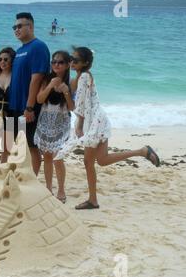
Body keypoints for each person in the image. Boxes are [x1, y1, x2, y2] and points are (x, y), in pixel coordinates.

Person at [55, 47, 161, 210]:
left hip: (93, 121)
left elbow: (82, 105)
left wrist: (80, 125)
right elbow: (84, 102)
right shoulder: (83, 76)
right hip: (99, 119)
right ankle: (142, 151)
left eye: (75, 60)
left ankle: (93, 200)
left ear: (85, 63)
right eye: (71, 59)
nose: (72, 62)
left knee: (88, 162)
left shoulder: (83, 77)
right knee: (102, 160)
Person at [8, 12, 50, 176]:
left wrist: (30, 107)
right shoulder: (20, 50)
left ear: (30, 27)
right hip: (16, 106)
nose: (16, 29)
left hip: (29, 107)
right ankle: (22, 175)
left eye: (20, 26)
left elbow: (37, 78)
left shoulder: (38, 47)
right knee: (18, 143)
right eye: (14, 27)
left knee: (32, 146)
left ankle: (32, 180)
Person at [34, 51, 75, 203]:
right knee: (48, 156)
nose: (56, 65)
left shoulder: (71, 82)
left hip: (61, 121)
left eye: (60, 62)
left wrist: (65, 92)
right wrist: (50, 86)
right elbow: (39, 99)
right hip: (46, 119)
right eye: (54, 62)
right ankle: (49, 189)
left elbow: (71, 107)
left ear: (67, 65)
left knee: (58, 157)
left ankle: (62, 190)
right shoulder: (46, 79)